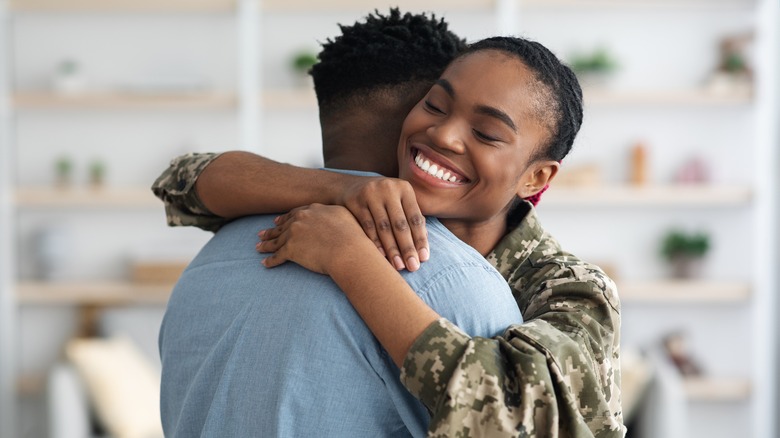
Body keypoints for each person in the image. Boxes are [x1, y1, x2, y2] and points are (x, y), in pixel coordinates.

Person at [155, 30, 626, 438]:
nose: (444, 135)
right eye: (435, 105)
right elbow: (182, 183)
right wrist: (341, 186)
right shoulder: (349, 208)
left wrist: (351, 260)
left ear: (537, 177)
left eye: (485, 133)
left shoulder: (570, 289)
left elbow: (514, 421)